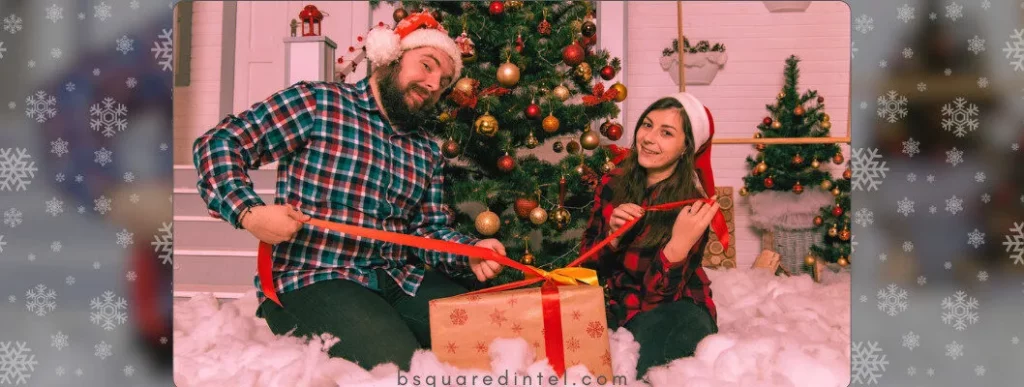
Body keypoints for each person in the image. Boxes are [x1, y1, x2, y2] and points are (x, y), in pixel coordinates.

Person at [191, 12, 505, 371]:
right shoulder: (317, 103)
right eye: (427, 66)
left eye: (445, 81)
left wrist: (469, 251)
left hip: (398, 279)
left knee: (492, 338)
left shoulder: (427, 150)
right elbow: (219, 143)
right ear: (391, 58)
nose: (435, 84)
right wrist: (248, 211)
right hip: (312, 277)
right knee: (397, 369)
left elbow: (427, 231)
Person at [580, 93, 723, 377]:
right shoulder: (612, 183)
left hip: (672, 306)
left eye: (666, 133)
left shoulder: (693, 207)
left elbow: (657, 301)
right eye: (647, 125)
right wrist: (613, 237)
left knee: (657, 339)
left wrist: (677, 247)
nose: (648, 137)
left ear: (686, 148)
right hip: (616, 303)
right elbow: (588, 266)